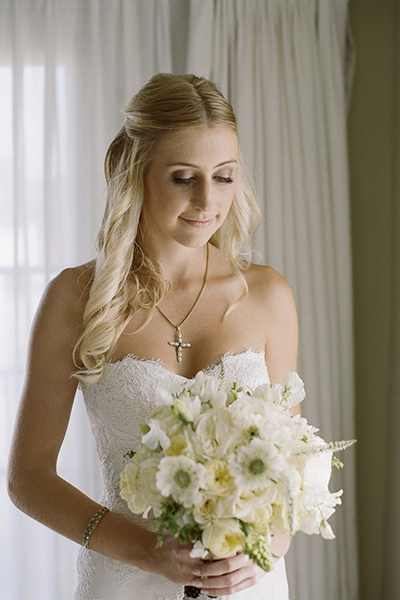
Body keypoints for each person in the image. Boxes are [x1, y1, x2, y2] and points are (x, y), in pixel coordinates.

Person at [7, 73, 299, 600]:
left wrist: (266, 548)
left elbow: (290, 470)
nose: (208, 200)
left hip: (245, 585)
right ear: (136, 173)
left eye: (225, 176)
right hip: (125, 581)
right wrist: (144, 549)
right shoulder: (77, 298)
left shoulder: (268, 295)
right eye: (184, 177)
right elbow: (28, 478)